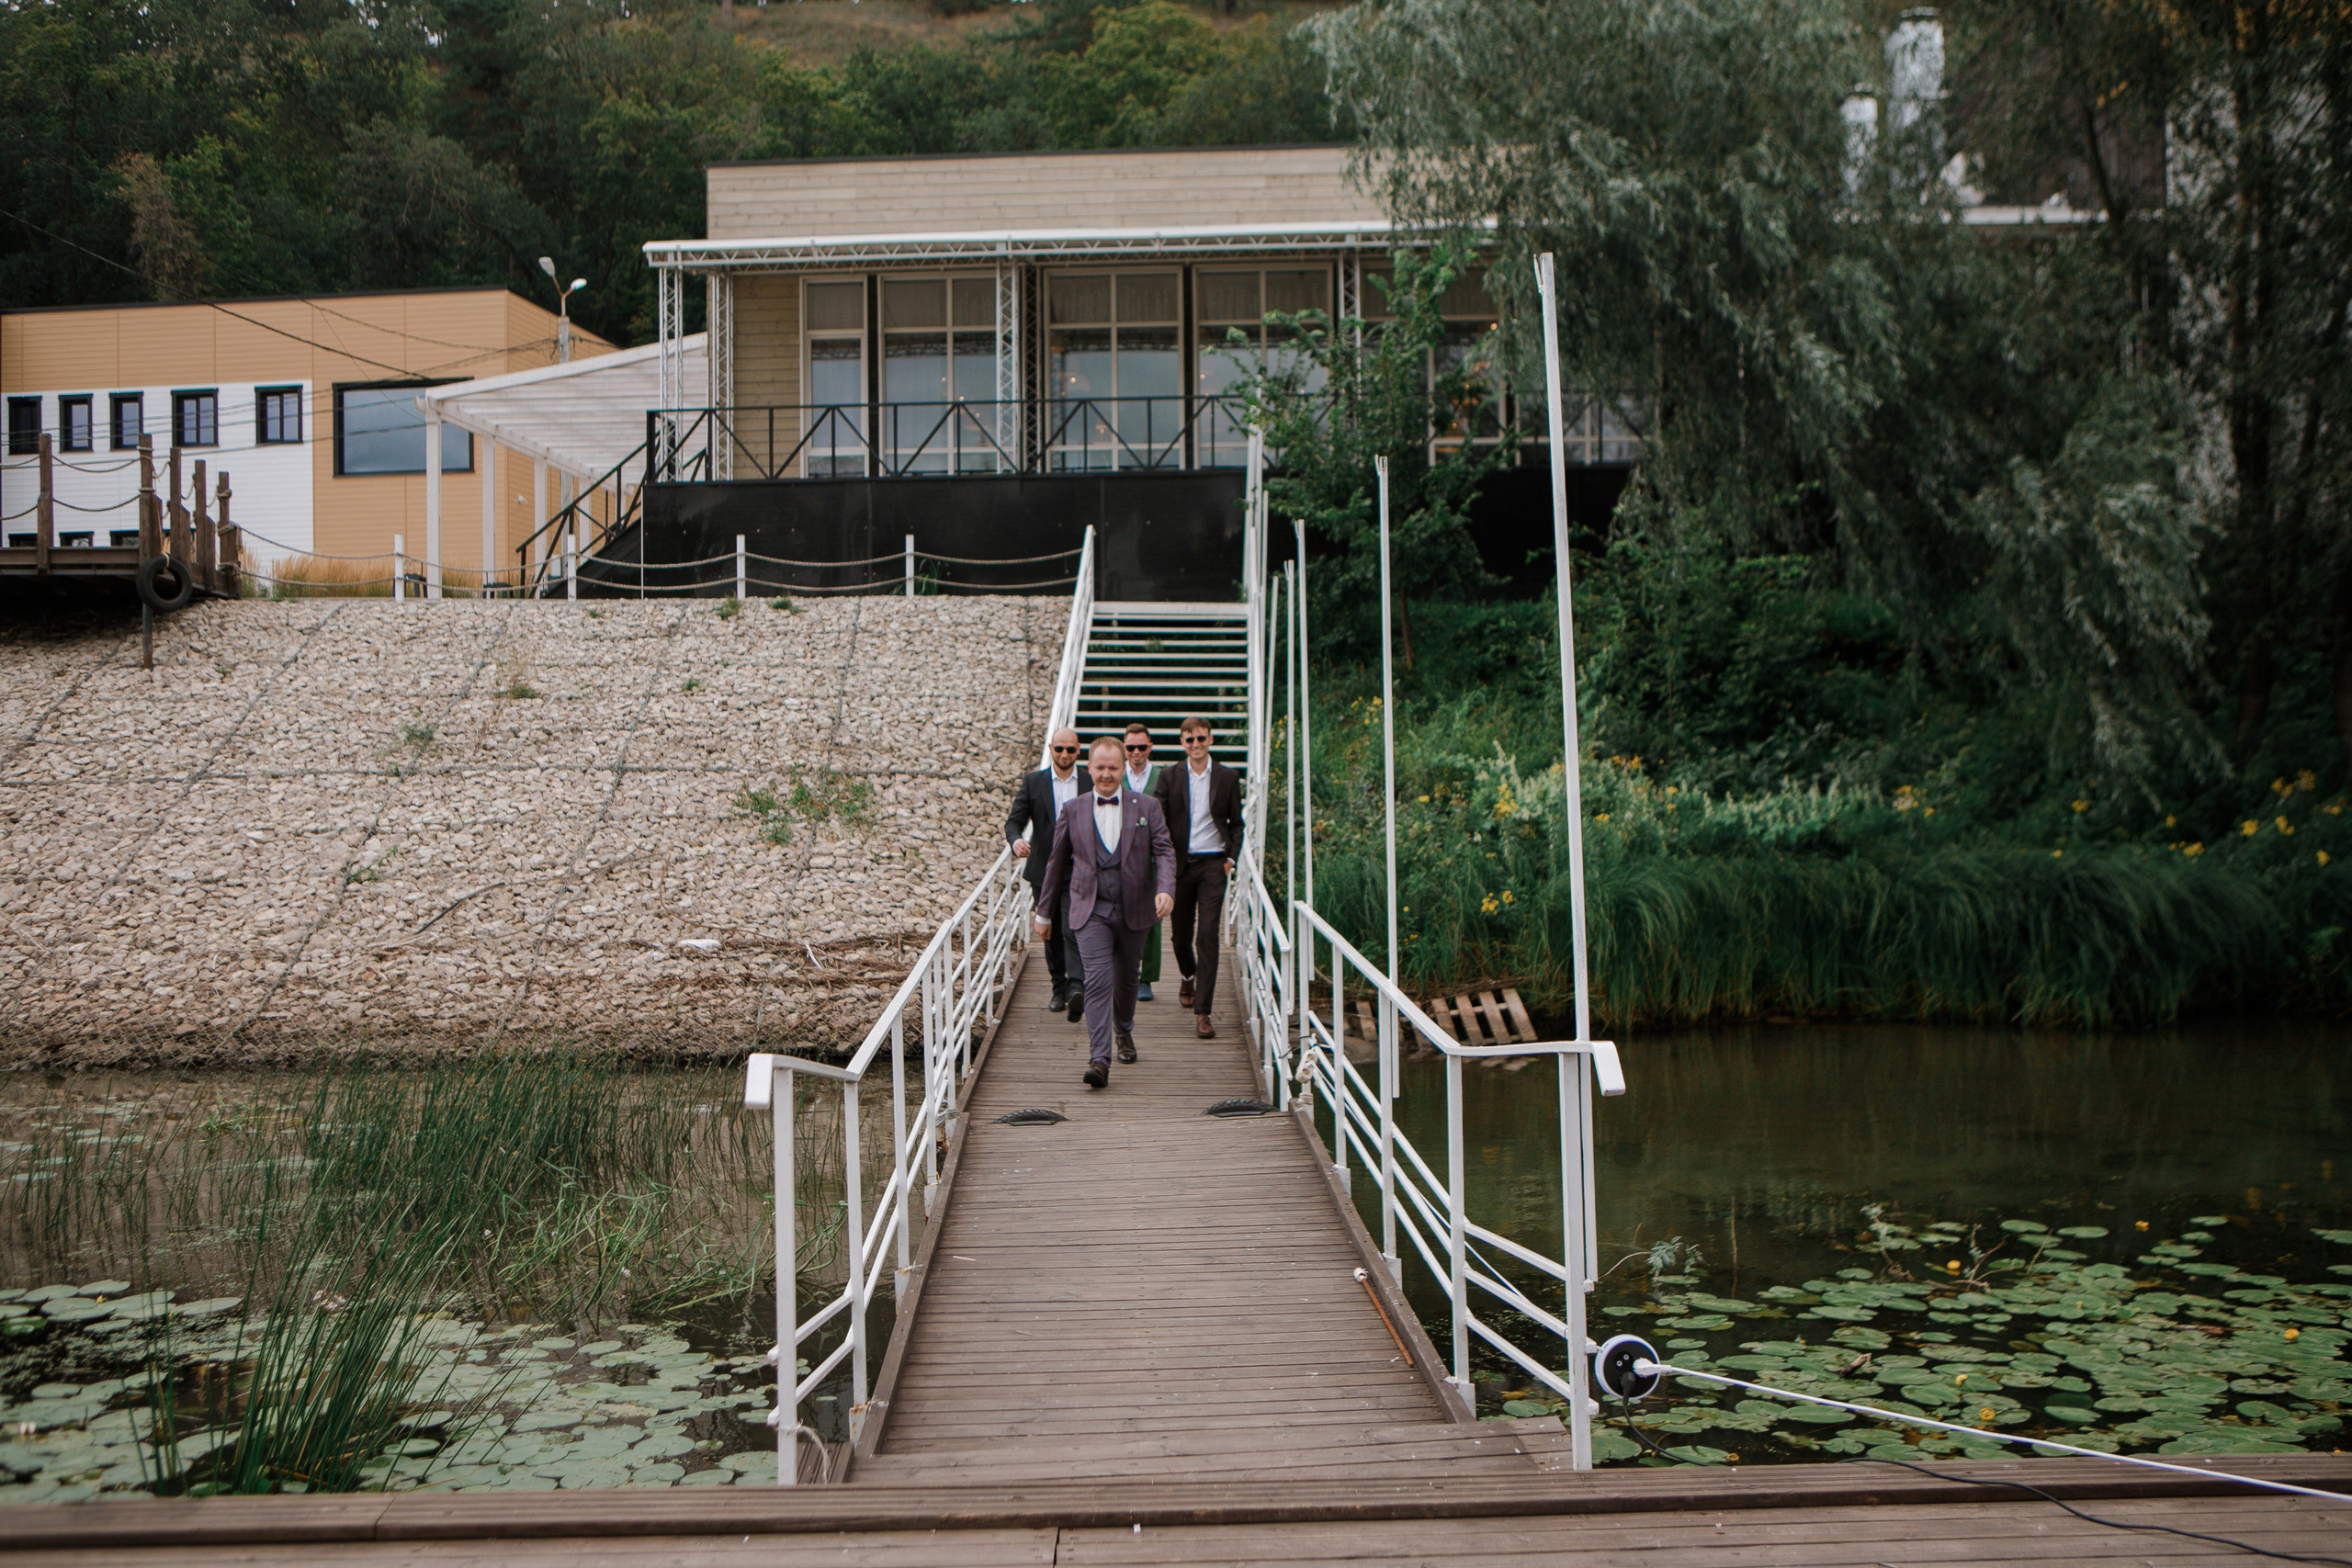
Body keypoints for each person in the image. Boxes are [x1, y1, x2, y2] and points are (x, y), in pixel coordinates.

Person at [1035, 736, 1175, 1089]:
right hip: (1089, 909)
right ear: (1089, 768)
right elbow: (1055, 863)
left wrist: (1165, 888)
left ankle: (1123, 1031)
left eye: (1114, 768)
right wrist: (1045, 913)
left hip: (1135, 908)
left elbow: (1165, 851)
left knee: (1128, 978)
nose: (1107, 775)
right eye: (1100, 768)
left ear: (1123, 768)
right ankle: (1099, 1059)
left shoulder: (1147, 806)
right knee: (1098, 979)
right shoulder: (1075, 809)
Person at [1152, 715, 1242, 1038]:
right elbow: (1159, 819)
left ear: (1210, 740)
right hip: (1179, 864)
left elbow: (1236, 822)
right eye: (1189, 740)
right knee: (1179, 937)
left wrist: (1231, 857)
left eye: (1201, 739)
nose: (1196, 745)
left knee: (1208, 935)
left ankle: (1203, 1013)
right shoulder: (1170, 775)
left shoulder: (1228, 777)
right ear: (1182, 742)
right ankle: (1188, 975)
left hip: (1213, 864)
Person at [1006, 727, 1088, 1015]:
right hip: (1043, 870)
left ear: (1078, 751)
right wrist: (1016, 841)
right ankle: (1058, 988)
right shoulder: (1034, 782)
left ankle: (1077, 985)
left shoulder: (1090, 781)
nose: (1064, 754)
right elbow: (1014, 821)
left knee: (1073, 927)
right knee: (1049, 932)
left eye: (1071, 750)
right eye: (1059, 749)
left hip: (1080, 870)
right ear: (1051, 748)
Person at [1122, 723, 1166, 1000]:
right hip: (1120, 856)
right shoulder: (1114, 774)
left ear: (1150, 747)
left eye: (1141, 746)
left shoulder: (1163, 777)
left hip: (1152, 855)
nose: (1136, 752)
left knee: (1153, 919)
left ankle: (1147, 977)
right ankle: (1125, 972)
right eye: (1130, 747)